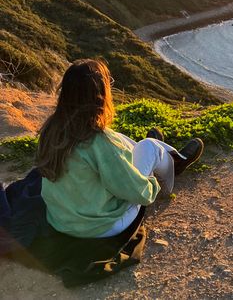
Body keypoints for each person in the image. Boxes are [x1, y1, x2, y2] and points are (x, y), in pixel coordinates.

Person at [36, 59, 203, 239]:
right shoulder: (100, 142)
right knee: (149, 147)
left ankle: (168, 157)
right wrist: (151, 182)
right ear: (100, 94)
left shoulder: (51, 130)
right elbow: (138, 193)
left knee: (119, 140)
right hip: (100, 226)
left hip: (61, 220)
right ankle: (173, 165)